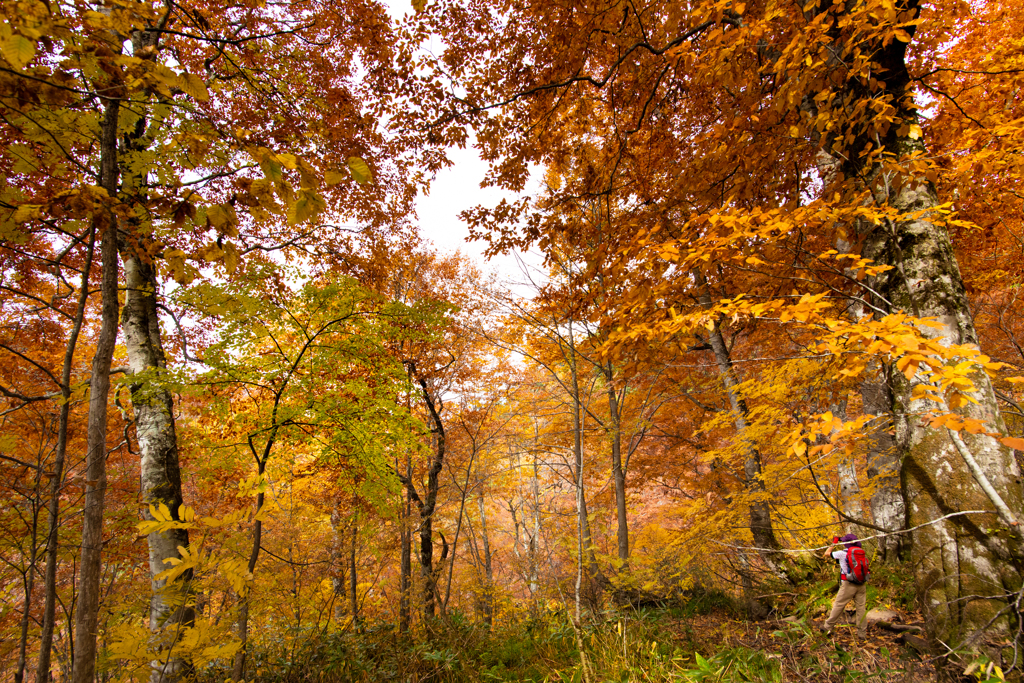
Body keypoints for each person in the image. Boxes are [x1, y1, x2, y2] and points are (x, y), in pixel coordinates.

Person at [820, 533, 867, 638]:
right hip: (861, 583)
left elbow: (827, 554)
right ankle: (862, 634)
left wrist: (834, 542)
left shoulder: (842, 553)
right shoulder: (861, 552)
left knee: (839, 605)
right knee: (861, 608)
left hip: (848, 584)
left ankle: (827, 627)